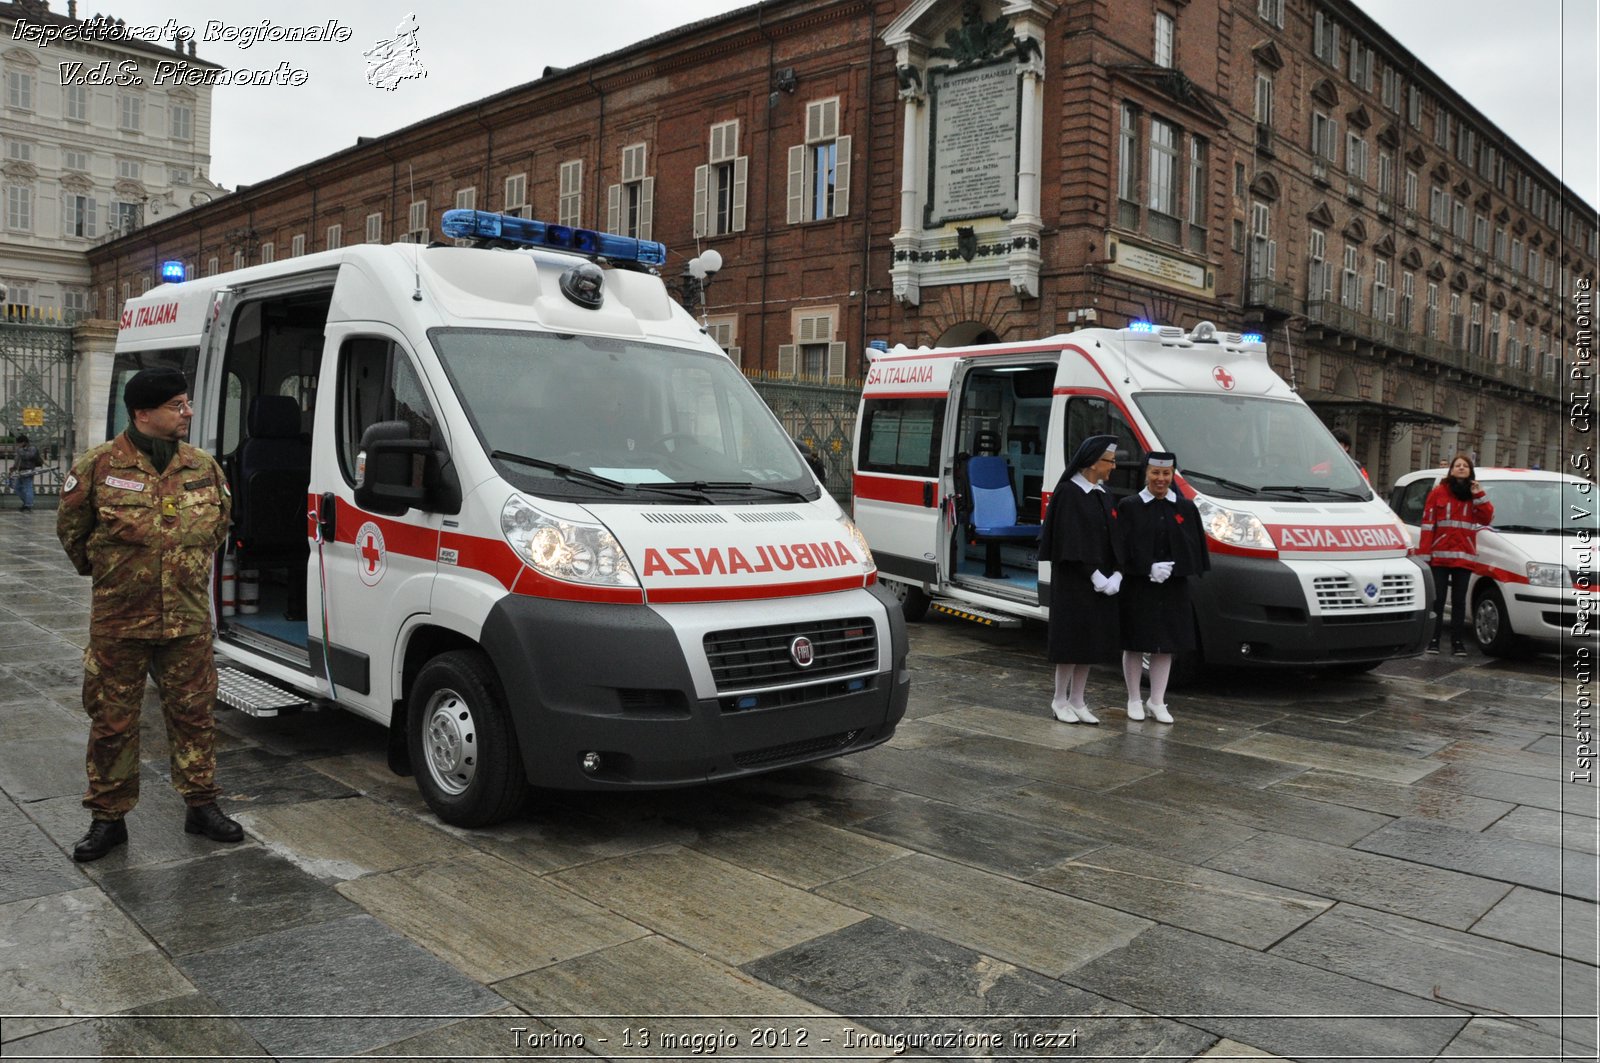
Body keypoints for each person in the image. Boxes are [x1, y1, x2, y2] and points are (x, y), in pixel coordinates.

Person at [56, 367, 243, 862]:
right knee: (113, 721)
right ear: (143, 414)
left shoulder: (203, 467)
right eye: (177, 405)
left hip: (186, 619)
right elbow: (73, 533)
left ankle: (201, 806)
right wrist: (116, 577)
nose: (188, 412)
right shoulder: (97, 466)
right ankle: (108, 819)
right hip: (120, 621)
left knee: (195, 715)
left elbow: (218, 526)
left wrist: (180, 568)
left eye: (186, 404)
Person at [1115, 451, 1209, 724]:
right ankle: (1134, 698)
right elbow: (1121, 547)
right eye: (1155, 473)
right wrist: (1147, 567)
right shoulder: (1129, 506)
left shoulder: (1185, 508)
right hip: (1138, 585)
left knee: (1166, 645)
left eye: (1166, 474)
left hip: (1172, 585)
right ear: (1146, 473)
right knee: (1134, 642)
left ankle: (1157, 700)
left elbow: (1194, 548)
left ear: (1172, 475)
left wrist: (1173, 567)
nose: (1160, 479)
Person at [1038, 433, 1122, 724]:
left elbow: (1113, 536)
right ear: (1092, 462)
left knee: (1089, 643)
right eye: (1109, 461)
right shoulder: (1068, 493)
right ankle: (1059, 699)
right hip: (1074, 581)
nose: (1113, 467)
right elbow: (1067, 541)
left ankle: (1078, 699)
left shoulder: (1102, 494)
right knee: (1070, 643)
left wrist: (1117, 573)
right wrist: (1094, 574)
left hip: (1100, 582)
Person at [1417, 452, 1493, 656]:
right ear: (1451, 470)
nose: (1461, 468)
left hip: (1463, 557)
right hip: (1439, 557)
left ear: (1470, 471)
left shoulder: (1473, 494)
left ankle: (1457, 642)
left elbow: (1487, 518)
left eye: (1464, 466)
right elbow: (1427, 525)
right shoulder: (1438, 492)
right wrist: (1425, 556)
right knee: (1438, 599)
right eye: (1457, 465)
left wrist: (1479, 494)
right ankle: (1433, 640)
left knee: (1459, 601)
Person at [9, 433, 41, 511]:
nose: (18, 445)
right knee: (17, 488)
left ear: (24, 442)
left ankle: (28, 504)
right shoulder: (20, 450)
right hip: (20, 471)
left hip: (28, 470)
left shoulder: (32, 448)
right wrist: (14, 468)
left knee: (28, 488)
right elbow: (17, 460)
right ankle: (26, 502)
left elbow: (29, 456)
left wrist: (20, 450)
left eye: (19, 443)